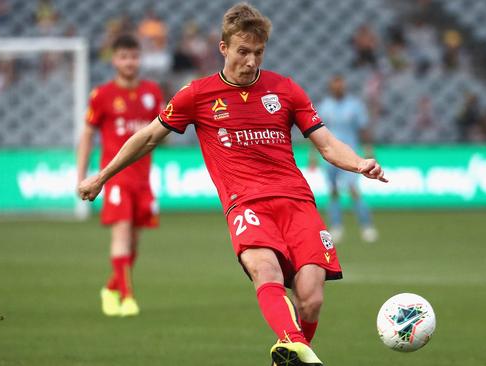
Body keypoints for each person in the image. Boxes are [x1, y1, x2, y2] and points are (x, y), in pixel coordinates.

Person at [78, 3, 387, 365]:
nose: (251, 61)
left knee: (311, 298)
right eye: (243, 51)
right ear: (223, 48)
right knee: (265, 270)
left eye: (258, 52)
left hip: (297, 201)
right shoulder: (197, 95)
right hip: (246, 205)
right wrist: (102, 175)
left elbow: (327, 143)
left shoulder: (285, 90)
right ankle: (295, 344)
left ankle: (294, 351)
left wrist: (359, 163)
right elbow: (147, 137)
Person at [76, 34, 164, 317]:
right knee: (122, 234)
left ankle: (111, 288)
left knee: (134, 241)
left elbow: (160, 132)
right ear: (114, 60)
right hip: (114, 179)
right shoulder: (101, 95)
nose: (130, 62)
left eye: (134, 56)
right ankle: (127, 298)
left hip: (142, 179)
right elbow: (88, 136)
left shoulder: (152, 93)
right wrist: (83, 174)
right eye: (124, 57)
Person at [315, 75, 378, 243]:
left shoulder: (354, 105)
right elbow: (314, 131)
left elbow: (363, 128)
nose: (338, 88)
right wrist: (312, 155)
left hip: (349, 153)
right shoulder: (325, 106)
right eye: (335, 85)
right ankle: (336, 227)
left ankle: (367, 226)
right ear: (331, 87)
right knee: (333, 191)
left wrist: (368, 149)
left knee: (353, 189)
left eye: (340, 85)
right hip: (328, 155)